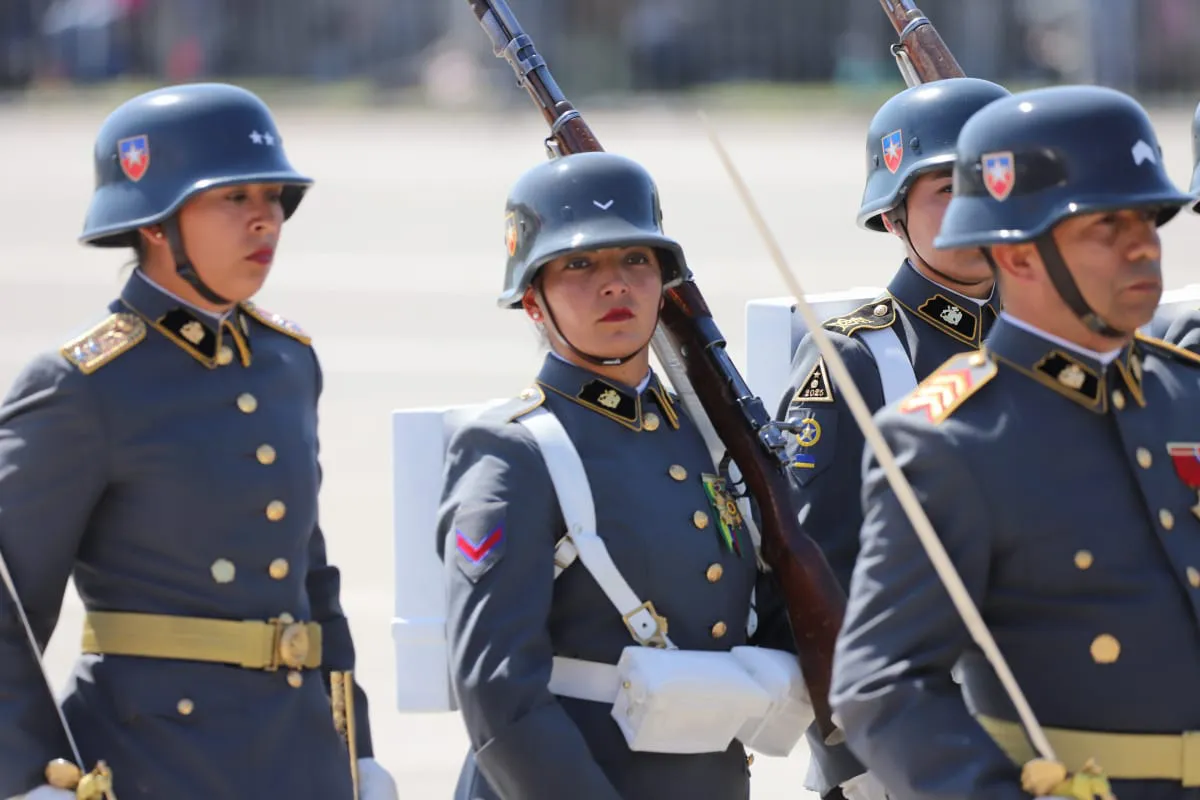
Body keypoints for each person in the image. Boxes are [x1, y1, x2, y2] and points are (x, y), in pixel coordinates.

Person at [0, 83, 398, 800]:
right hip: (155, 761)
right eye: (233, 198)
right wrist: (28, 777)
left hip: (297, 759)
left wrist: (355, 750)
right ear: (156, 225)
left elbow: (309, 580)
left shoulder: (285, 360)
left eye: (273, 196)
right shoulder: (83, 384)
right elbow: (7, 598)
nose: (264, 219)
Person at [831, 84, 1200, 800]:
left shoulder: (1186, 393)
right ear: (1020, 256)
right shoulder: (950, 440)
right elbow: (883, 683)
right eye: (1106, 225)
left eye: (1148, 219)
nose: (1143, 246)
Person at [437, 150, 811, 800]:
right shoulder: (513, 450)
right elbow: (498, 692)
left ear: (665, 284)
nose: (615, 285)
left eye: (636, 260)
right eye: (579, 265)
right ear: (532, 300)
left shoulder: (708, 432)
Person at [775, 76, 1009, 800]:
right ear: (892, 214)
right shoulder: (858, 359)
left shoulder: (1049, 340)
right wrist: (858, 757)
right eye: (946, 187)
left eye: (991, 177)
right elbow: (814, 572)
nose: (974, 204)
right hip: (911, 744)